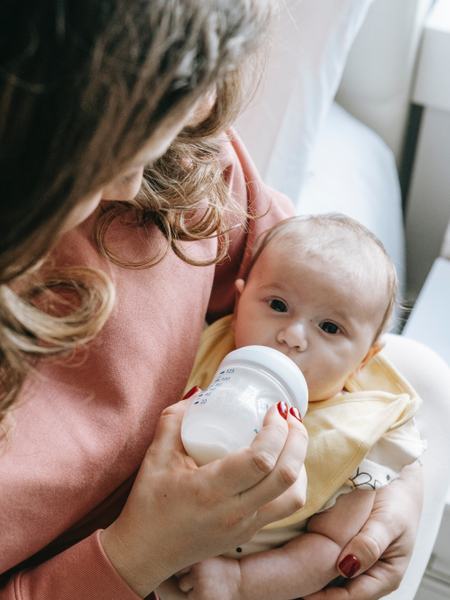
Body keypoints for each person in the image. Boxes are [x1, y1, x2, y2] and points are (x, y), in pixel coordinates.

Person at [0, 2, 439, 599]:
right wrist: (135, 556)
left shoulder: (177, 156)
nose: (133, 186)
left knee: (425, 376)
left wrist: (380, 473)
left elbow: (326, 286)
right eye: (114, 146)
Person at [164, 214, 425, 600]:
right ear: (238, 301)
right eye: (278, 304)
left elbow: (329, 548)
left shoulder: (356, 435)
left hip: (252, 580)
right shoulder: (199, 350)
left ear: (365, 359)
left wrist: (238, 581)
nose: (293, 336)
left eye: (330, 328)